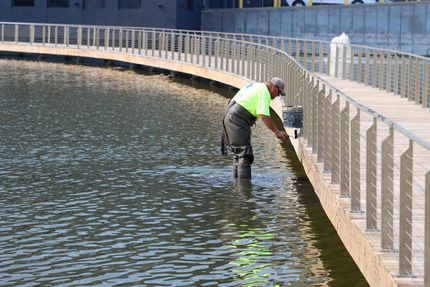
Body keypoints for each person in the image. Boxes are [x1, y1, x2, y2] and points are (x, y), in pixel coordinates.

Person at [221, 77, 289, 180]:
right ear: (275, 88)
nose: (277, 96)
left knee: (239, 153)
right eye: (279, 93)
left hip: (230, 115)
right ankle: (245, 191)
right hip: (237, 119)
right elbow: (264, 116)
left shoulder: (257, 86)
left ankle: (237, 186)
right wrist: (277, 132)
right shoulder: (265, 93)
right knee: (245, 155)